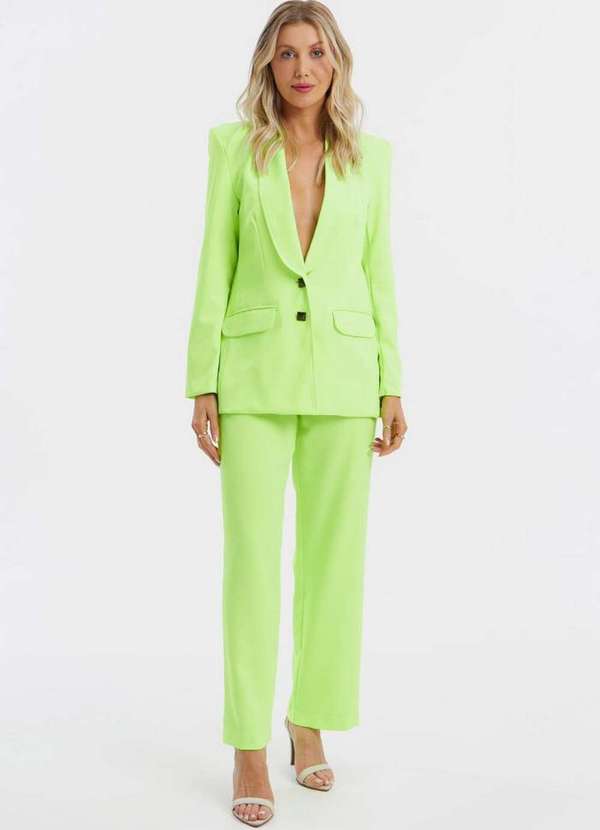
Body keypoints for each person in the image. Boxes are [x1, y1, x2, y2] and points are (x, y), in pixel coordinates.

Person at [185, 1, 408, 825]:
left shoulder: (371, 159)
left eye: (316, 52)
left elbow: (379, 272)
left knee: (333, 564)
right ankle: (248, 741)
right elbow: (215, 261)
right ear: (267, 66)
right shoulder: (233, 149)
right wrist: (202, 380)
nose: (303, 67)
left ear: (336, 62)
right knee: (250, 564)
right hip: (252, 373)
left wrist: (391, 382)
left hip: (346, 377)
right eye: (287, 54)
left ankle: (307, 720)